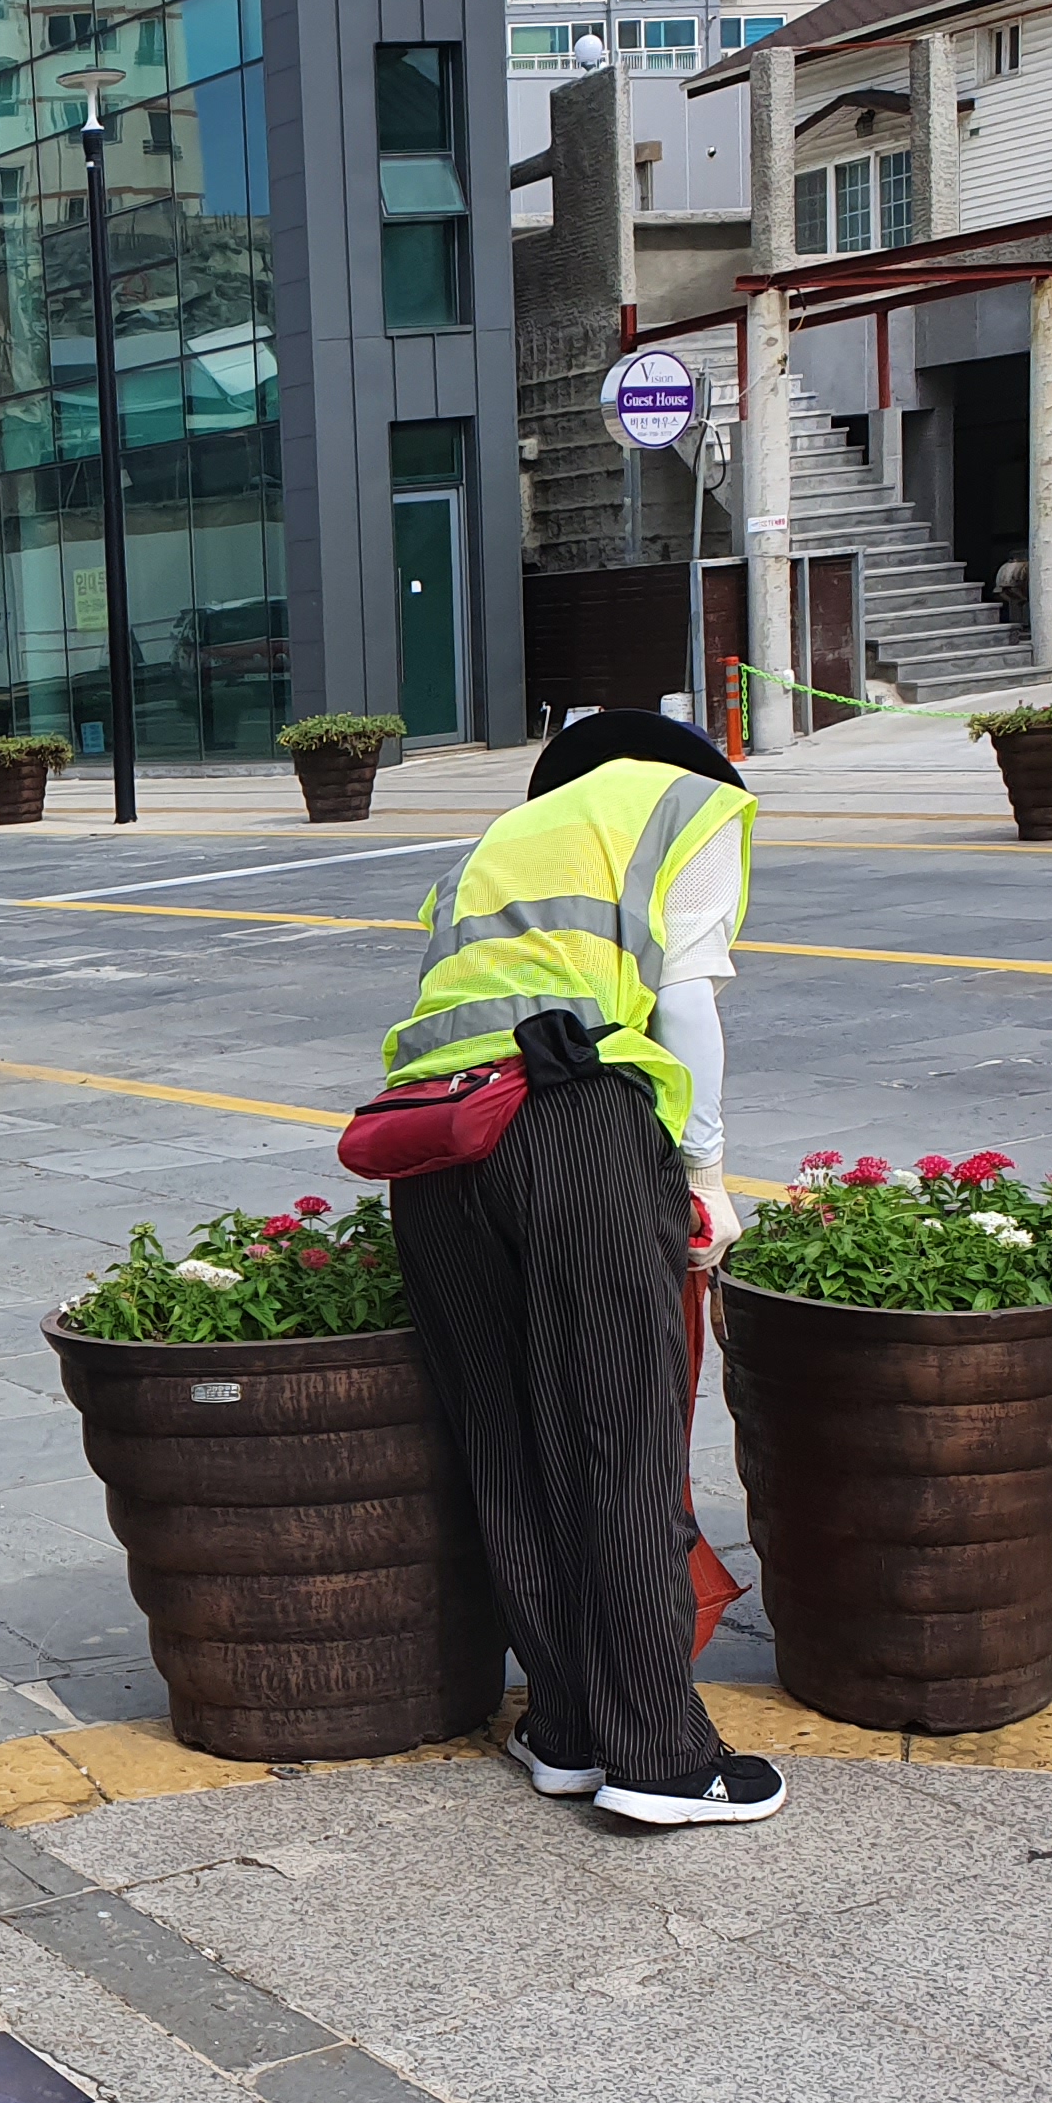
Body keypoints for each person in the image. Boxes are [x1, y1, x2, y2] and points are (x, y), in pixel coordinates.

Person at [379, 707, 782, 1829]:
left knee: (503, 1436)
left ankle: (564, 1725)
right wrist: (704, 1172)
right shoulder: (681, 806)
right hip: (576, 1120)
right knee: (620, 1427)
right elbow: (687, 1001)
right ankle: (656, 1752)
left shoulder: (490, 848)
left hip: (436, 1144)